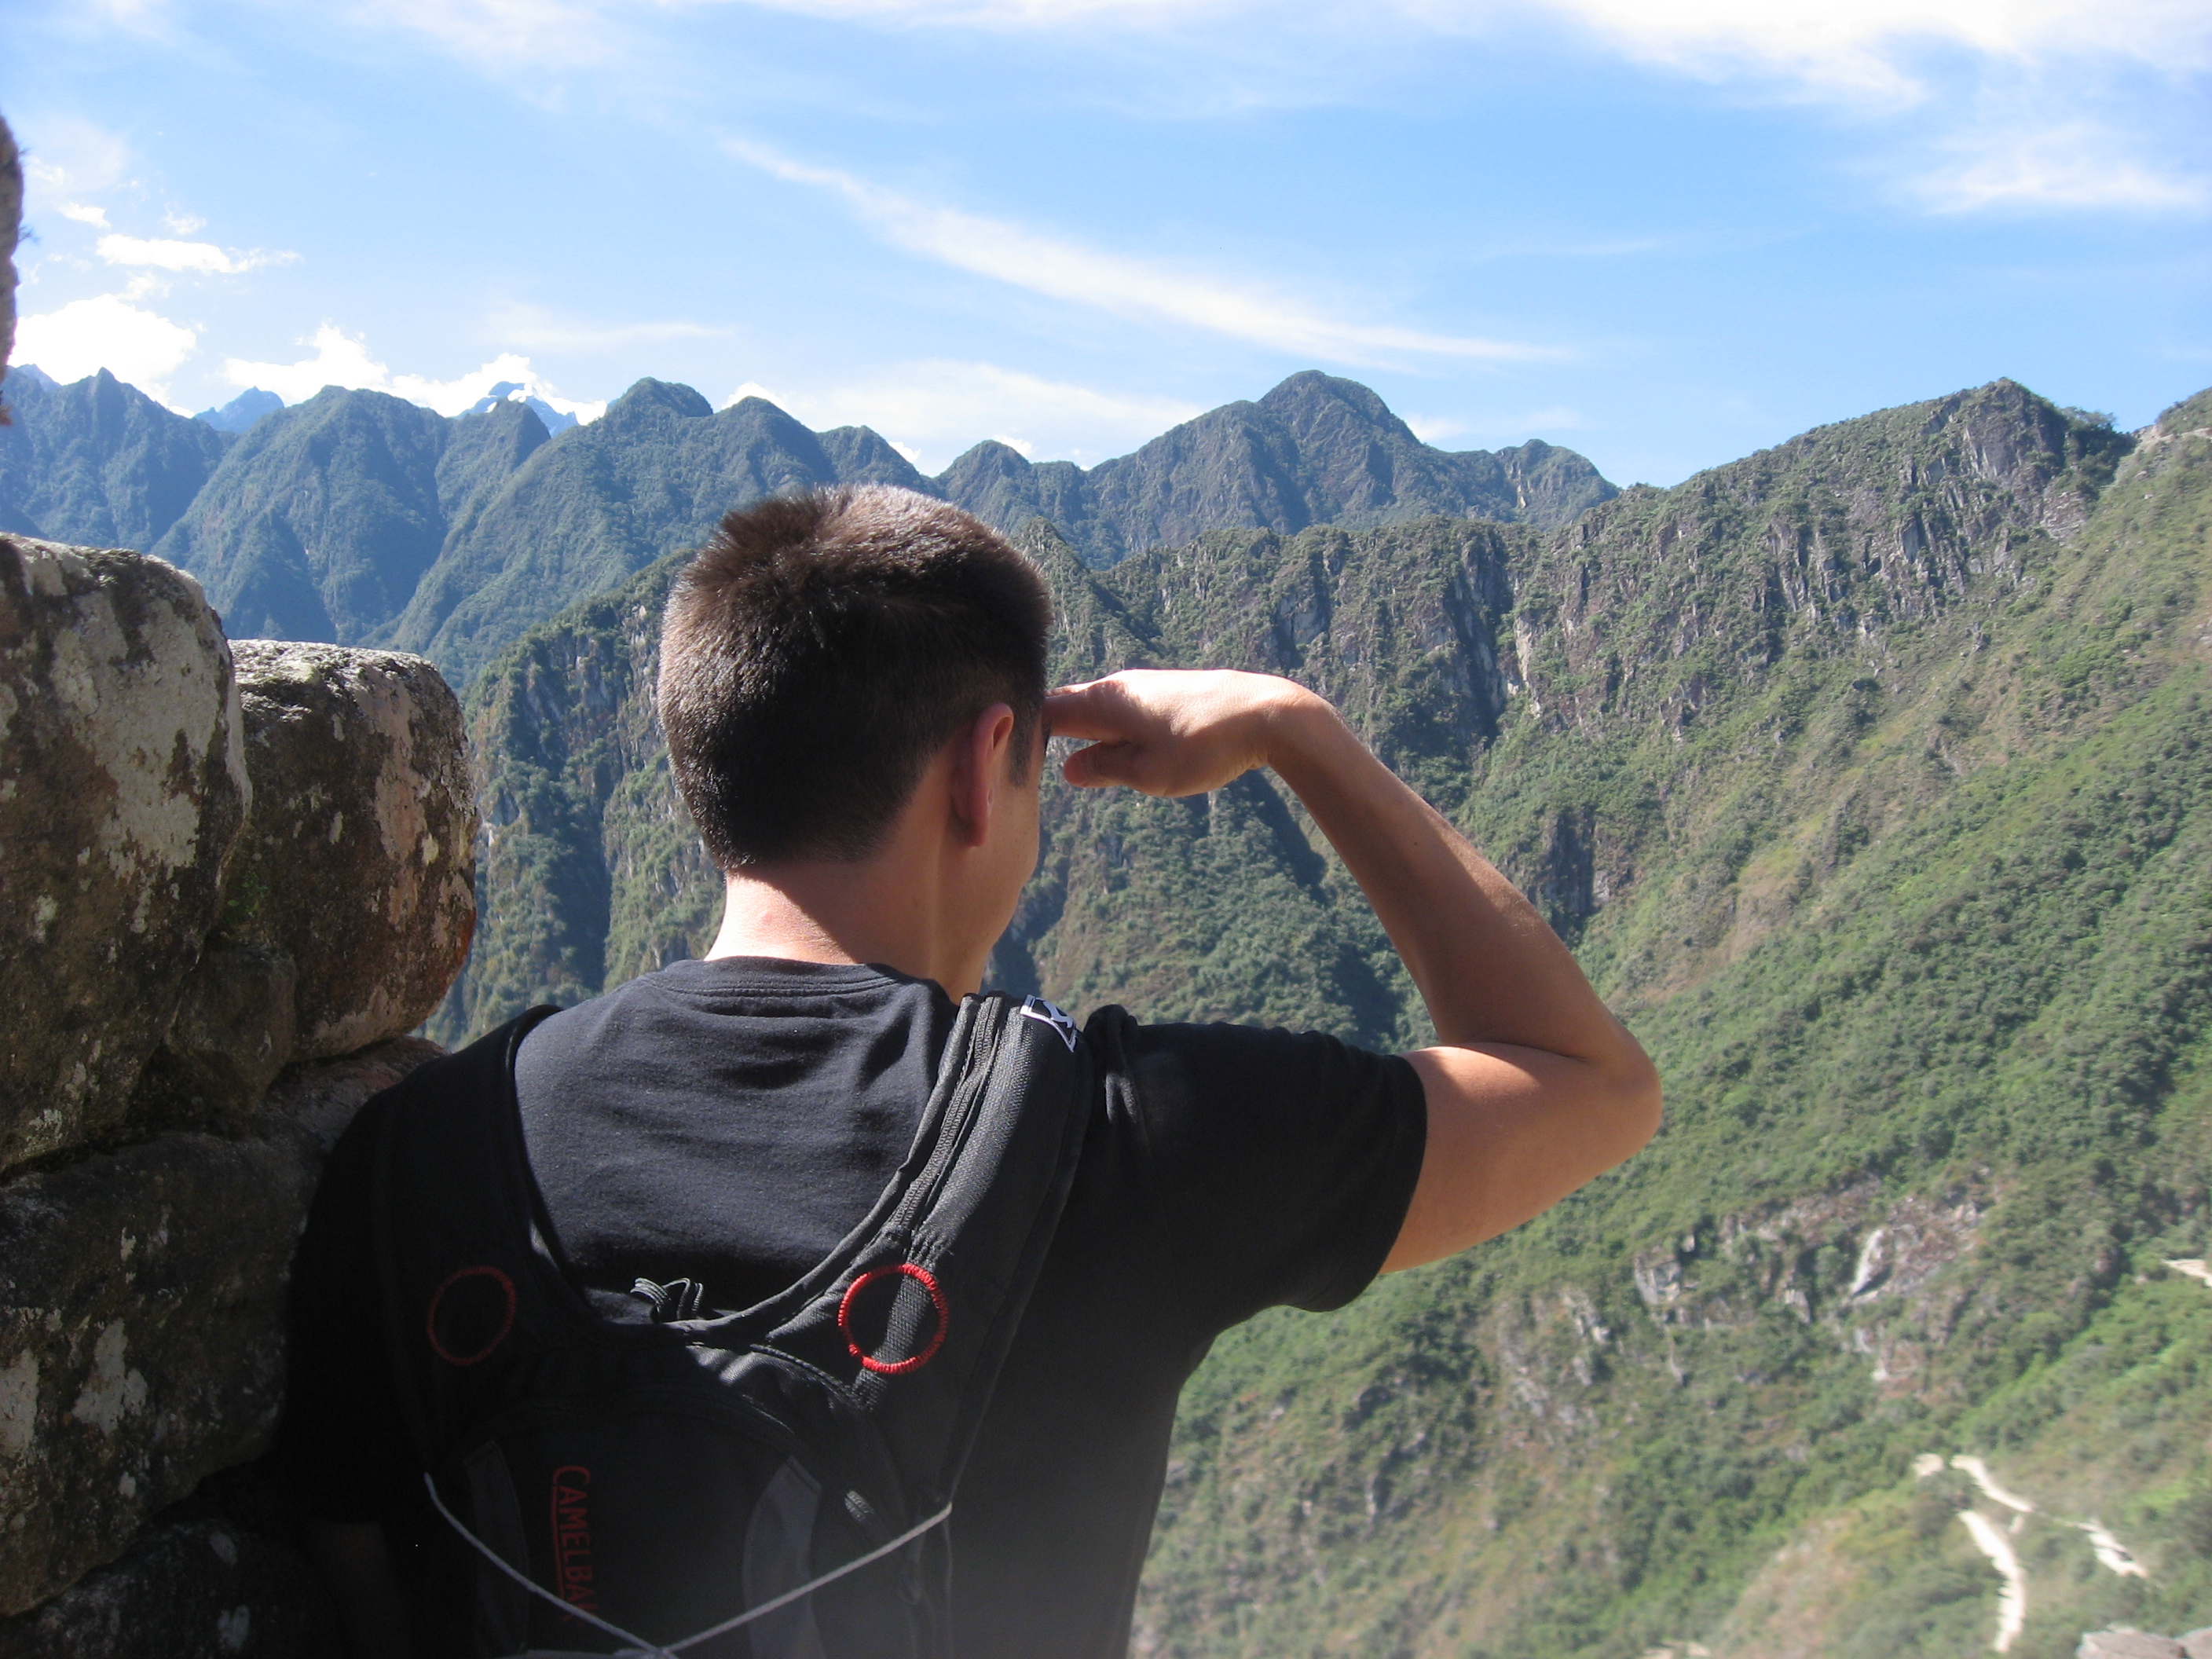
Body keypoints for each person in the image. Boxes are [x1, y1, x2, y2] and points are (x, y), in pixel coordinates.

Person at [280, 485, 1661, 1657]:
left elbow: (363, 1589)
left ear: (701, 767)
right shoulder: (1115, 1144)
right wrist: (1298, 730)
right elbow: (1587, 1082)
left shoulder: (417, 1159)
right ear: (982, 764)